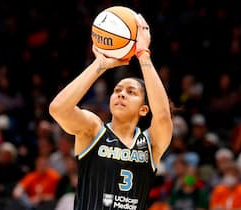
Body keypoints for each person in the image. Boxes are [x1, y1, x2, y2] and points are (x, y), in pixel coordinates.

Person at [49, 14, 173, 210]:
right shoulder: (93, 129)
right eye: (117, 90)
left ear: (143, 109)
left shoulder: (151, 143)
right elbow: (58, 109)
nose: (121, 94)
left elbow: (163, 116)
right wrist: (99, 65)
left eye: (130, 92)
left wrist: (143, 54)